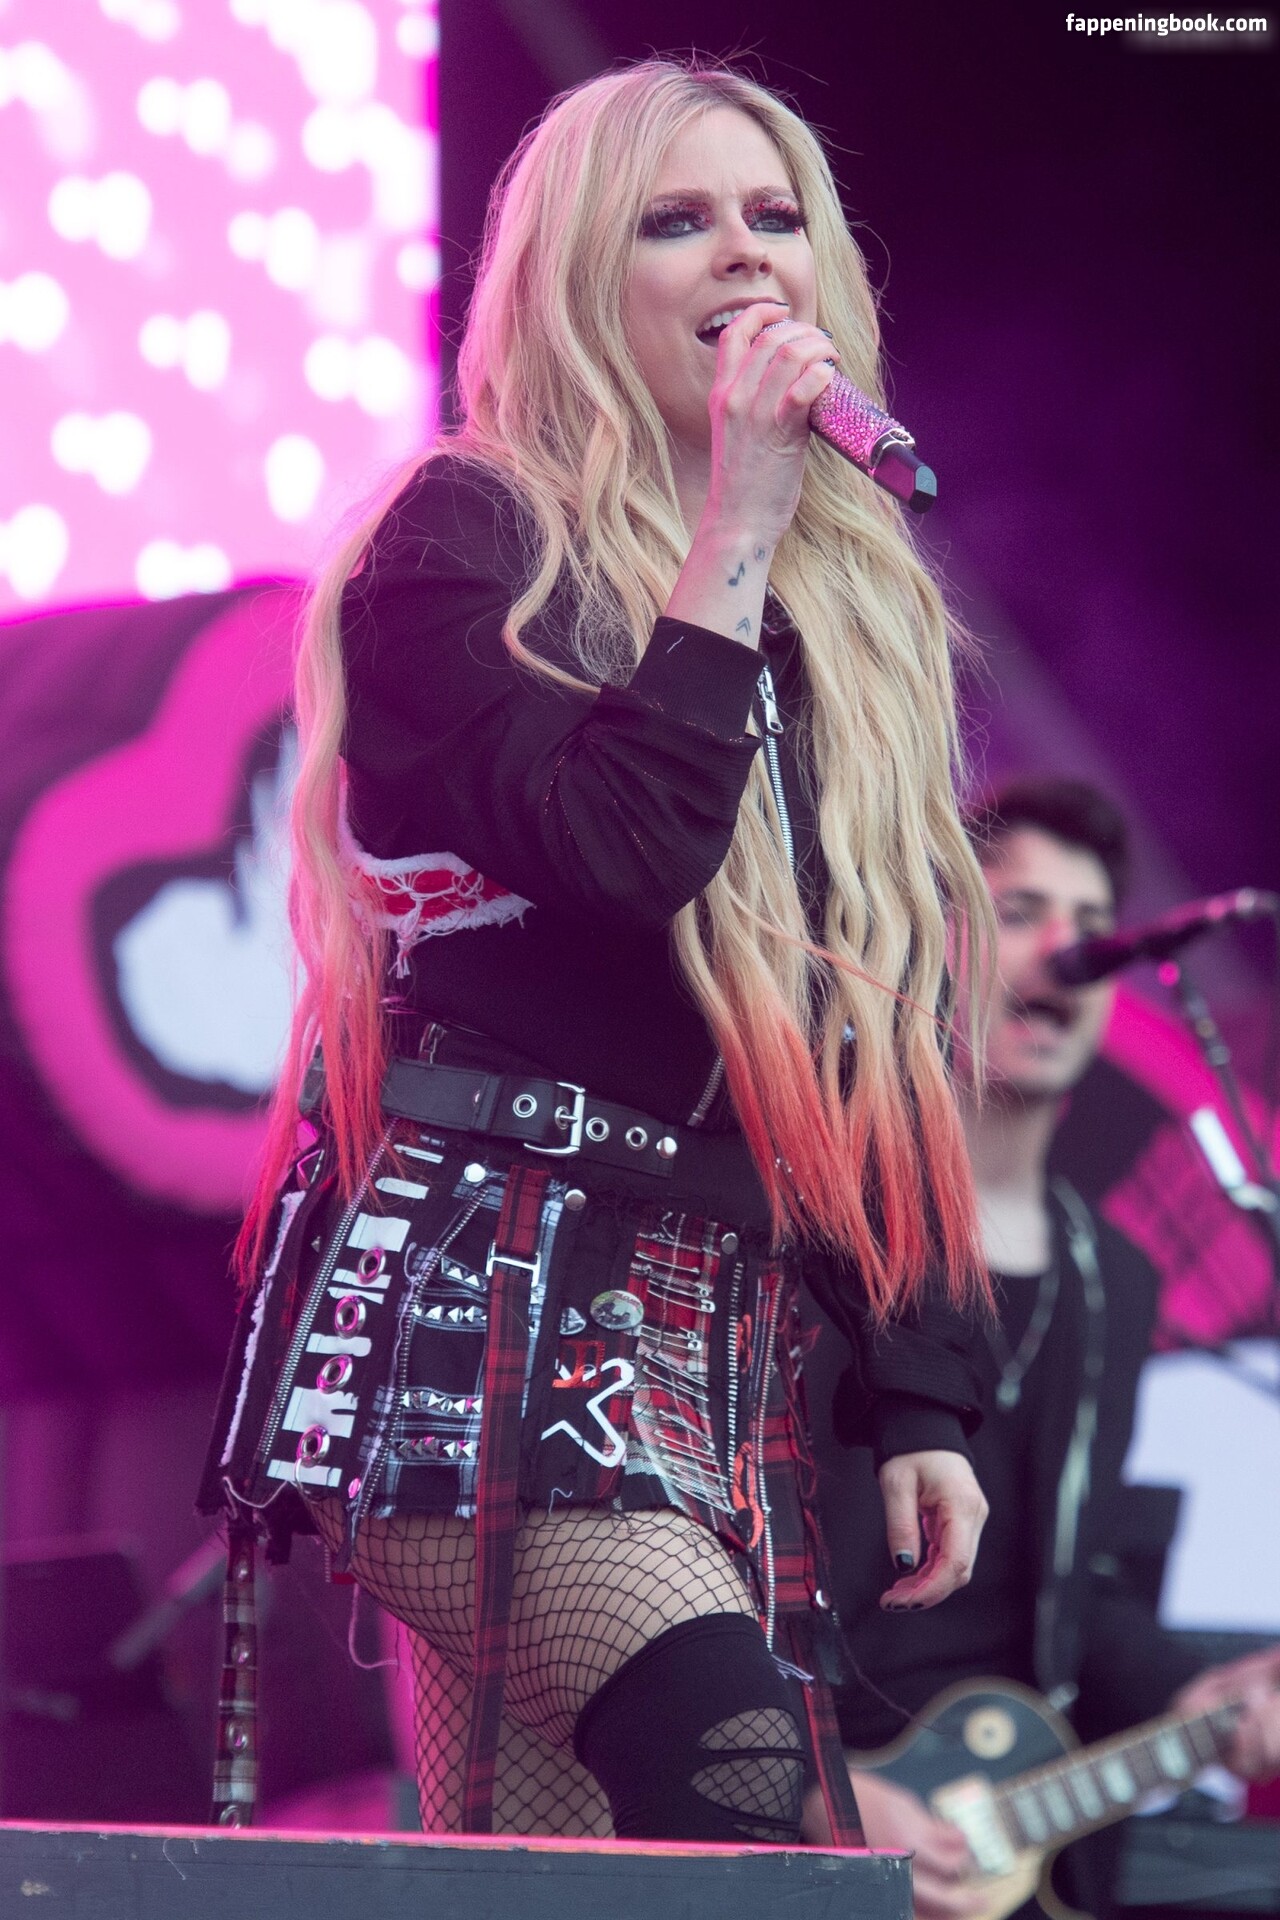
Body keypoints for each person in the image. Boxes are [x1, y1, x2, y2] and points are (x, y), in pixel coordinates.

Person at [199, 58, 995, 1846]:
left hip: (710, 1320)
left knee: (540, 1870)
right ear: (573, 275)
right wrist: (737, 529)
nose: (745, 257)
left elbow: (880, 1028)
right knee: (737, 1779)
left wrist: (923, 1388)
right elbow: (620, 853)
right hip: (478, 1283)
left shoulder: (852, 621)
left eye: (775, 217)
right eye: (678, 222)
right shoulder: (462, 539)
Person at [809, 776, 1280, 1913]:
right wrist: (805, 1782)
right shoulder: (820, 1225)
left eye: (1093, 924)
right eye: (1018, 913)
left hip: (1000, 1831)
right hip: (811, 1795)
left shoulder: (1109, 1275)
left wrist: (1201, 1696)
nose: (1067, 952)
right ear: (929, 947)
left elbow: (1073, 1587)